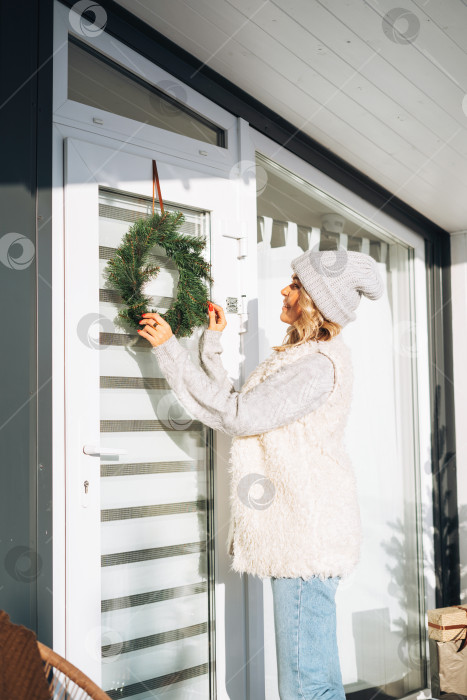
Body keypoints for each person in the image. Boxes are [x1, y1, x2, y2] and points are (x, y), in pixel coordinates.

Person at [137, 248, 384, 700]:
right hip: (307, 533)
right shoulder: (305, 355)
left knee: (306, 687)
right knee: (319, 680)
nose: (286, 289)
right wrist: (211, 344)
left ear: (315, 300)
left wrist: (170, 350)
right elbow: (242, 404)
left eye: (295, 283)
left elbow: (237, 417)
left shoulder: (314, 365)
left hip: (305, 538)